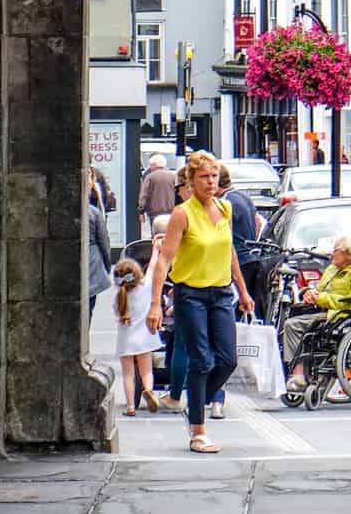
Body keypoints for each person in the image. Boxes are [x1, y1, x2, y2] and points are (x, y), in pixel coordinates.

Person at [146, 149, 254, 454]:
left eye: (214, 176)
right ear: (191, 181)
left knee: (228, 359)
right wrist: (155, 303)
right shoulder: (183, 213)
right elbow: (165, 258)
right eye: (204, 177)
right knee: (202, 360)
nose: (210, 182)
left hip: (221, 292)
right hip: (190, 292)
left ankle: (193, 403)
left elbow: (229, 250)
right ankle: (198, 430)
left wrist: (243, 292)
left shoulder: (226, 208)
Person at [283, 234, 351, 391]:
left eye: (336, 250)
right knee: (292, 322)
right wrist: (308, 292)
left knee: (296, 326)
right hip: (327, 312)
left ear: (349, 252)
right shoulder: (333, 268)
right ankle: (298, 372)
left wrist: (321, 298)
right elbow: (319, 289)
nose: (332, 254)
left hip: (345, 315)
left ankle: (300, 374)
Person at [113, 256, 163, 416]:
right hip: (144, 339)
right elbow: (153, 267)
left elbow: (117, 312)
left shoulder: (119, 297)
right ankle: (148, 390)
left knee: (128, 375)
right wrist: (155, 249)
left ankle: (130, 407)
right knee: (146, 372)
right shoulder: (146, 287)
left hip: (125, 340)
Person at [218, 161, 265, 319]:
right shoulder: (244, 197)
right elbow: (258, 222)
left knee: (235, 306)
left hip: (237, 259)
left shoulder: (225, 203)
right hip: (252, 256)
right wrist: (250, 237)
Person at [87, 172, 112, 323]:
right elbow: (104, 241)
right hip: (92, 263)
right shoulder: (93, 212)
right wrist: (107, 266)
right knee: (89, 305)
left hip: (91, 261)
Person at [138, 153, 176, 233]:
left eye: (151, 165)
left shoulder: (150, 177)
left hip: (154, 212)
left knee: (156, 234)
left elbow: (144, 195)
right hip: (171, 211)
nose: (150, 167)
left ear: (154, 165)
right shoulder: (173, 176)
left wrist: (141, 211)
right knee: (170, 232)